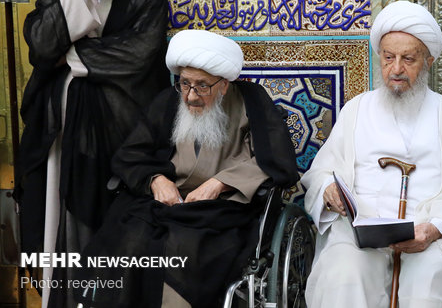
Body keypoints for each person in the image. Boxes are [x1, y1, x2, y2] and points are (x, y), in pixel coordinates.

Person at [68, 30, 299, 308]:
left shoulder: (251, 101)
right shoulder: (169, 101)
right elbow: (131, 154)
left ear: (224, 85)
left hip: (221, 213)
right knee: (131, 239)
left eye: (202, 86)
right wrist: (155, 180)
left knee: (184, 247)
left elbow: (275, 160)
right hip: (165, 205)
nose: (190, 96)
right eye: (185, 83)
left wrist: (219, 183)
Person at [14, 0, 169, 305]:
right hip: (61, 140)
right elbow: (41, 45)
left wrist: (67, 53)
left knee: (113, 239)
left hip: (123, 138)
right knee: (55, 233)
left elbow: (136, 59)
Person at [301, 0, 442, 307]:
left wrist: (431, 231)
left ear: (427, 61)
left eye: (408, 59)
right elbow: (322, 171)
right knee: (344, 277)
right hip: (361, 234)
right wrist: (328, 190)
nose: (396, 69)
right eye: (389, 58)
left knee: (425, 293)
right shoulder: (356, 110)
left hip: (428, 236)